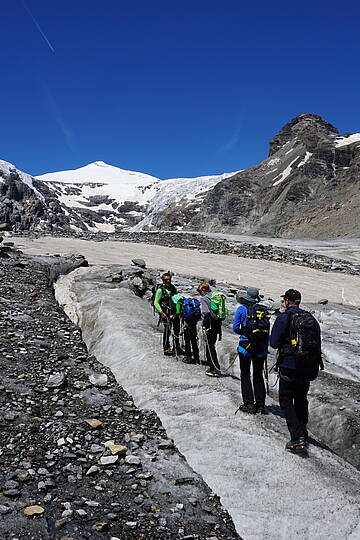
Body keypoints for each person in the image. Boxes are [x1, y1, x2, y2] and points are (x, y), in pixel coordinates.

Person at [270, 288, 322, 452]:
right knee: (301, 399)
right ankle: (303, 433)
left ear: (286, 301)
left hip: (289, 365)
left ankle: (297, 437)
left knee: (286, 400)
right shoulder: (310, 318)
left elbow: (274, 343)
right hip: (308, 366)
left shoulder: (284, 318)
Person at [233, 287, 268, 415]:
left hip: (245, 346)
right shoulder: (263, 310)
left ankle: (249, 404)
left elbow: (235, 327)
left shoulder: (242, 309)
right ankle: (260, 405)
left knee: (245, 374)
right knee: (258, 375)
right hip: (260, 348)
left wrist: (244, 333)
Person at [154, 273, 184, 356]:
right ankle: (166, 348)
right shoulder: (160, 290)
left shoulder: (173, 288)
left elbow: (176, 298)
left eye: (169, 279)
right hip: (165, 313)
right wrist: (161, 313)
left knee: (177, 330)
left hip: (174, 313)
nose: (168, 281)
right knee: (167, 330)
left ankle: (177, 347)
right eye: (165, 280)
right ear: (163, 280)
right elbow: (156, 302)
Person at [197, 281, 222, 377]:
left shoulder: (204, 299)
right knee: (212, 346)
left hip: (210, 326)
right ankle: (215, 367)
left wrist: (204, 324)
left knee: (210, 347)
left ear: (203, 290)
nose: (199, 293)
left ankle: (214, 368)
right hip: (217, 325)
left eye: (199, 291)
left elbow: (206, 313)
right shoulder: (214, 296)